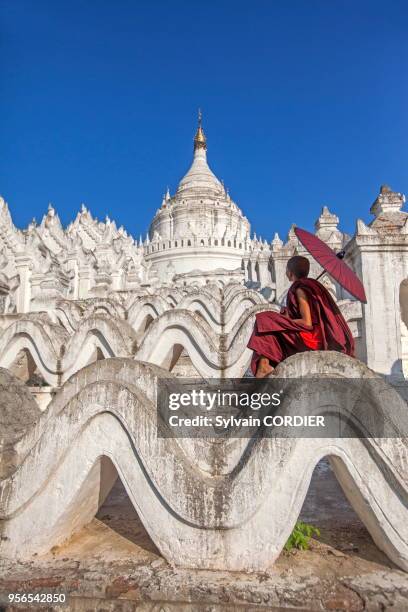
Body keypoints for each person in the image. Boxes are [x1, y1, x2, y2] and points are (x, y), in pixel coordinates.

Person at [247, 255, 355, 377]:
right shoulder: (307, 285)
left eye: (286, 269)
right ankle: (264, 365)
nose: (286, 272)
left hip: (311, 339)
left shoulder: (300, 289)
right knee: (270, 324)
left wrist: (285, 320)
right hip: (309, 334)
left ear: (290, 272)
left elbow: (307, 322)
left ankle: (264, 367)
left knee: (265, 320)